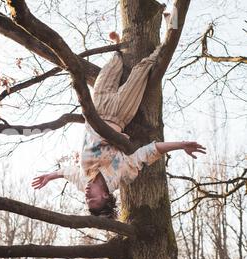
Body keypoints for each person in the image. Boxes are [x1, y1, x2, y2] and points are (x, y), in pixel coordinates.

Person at [31, 12, 206, 219]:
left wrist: (49, 177)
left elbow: (65, 172)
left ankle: (119, 45)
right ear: (106, 195)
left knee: (113, 66)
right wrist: (181, 144)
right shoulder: (121, 173)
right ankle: (172, 27)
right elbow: (149, 152)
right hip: (119, 113)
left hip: (95, 108)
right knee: (144, 67)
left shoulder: (83, 180)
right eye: (93, 199)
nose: (87, 195)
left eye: (87, 200)